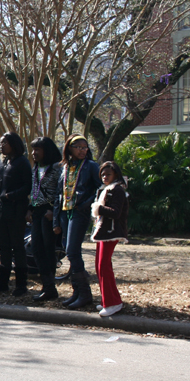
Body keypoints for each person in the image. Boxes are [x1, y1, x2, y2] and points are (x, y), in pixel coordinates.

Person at [53, 135, 101, 309]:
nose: (82, 150)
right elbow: (59, 194)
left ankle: (85, 294)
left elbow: (99, 188)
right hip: (65, 213)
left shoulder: (91, 166)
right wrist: (56, 221)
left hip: (79, 213)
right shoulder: (65, 167)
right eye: (78, 147)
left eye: (84, 147)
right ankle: (77, 293)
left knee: (73, 251)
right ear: (69, 148)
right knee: (69, 251)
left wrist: (85, 205)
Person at [0, 132, 32, 296]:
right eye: (1, 142)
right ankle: (2, 283)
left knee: (17, 246)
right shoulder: (2, 162)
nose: (1, 145)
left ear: (13, 144)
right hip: (1, 210)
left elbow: (28, 187)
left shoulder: (22, 163)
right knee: (3, 246)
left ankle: (21, 285)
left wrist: (10, 196)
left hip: (16, 210)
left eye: (5, 142)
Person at [91, 162, 130, 316]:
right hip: (103, 232)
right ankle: (109, 300)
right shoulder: (106, 189)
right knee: (100, 266)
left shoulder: (118, 189)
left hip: (111, 232)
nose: (104, 177)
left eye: (108, 174)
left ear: (116, 175)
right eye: (102, 174)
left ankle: (112, 303)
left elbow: (116, 212)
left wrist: (98, 208)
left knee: (104, 266)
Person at [27, 137, 63, 302]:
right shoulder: (36, 168)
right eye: (33, 150)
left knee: (48, 250)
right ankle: (47, 285)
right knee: (36, 249)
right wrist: (30, 209)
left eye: (38, 150)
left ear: (46, 151)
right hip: (37, 211)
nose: (34, 153)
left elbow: (61, 192)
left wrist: (53, 211)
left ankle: (50, 288)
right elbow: (34, 190)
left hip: (49, 212)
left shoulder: (57, 168)